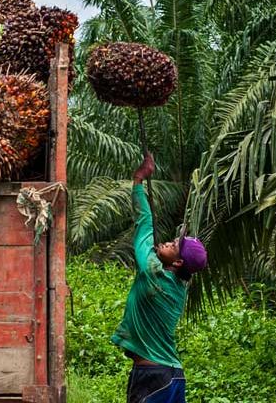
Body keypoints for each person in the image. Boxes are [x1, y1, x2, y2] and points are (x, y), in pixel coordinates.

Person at [111, 152, 207, 403]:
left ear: (177, 263)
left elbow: (144, 223)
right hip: (174, 376)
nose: (168, 242)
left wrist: (138, 180)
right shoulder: (177, 287)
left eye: (174, 245)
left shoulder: (153, 273)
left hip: (152, 376)